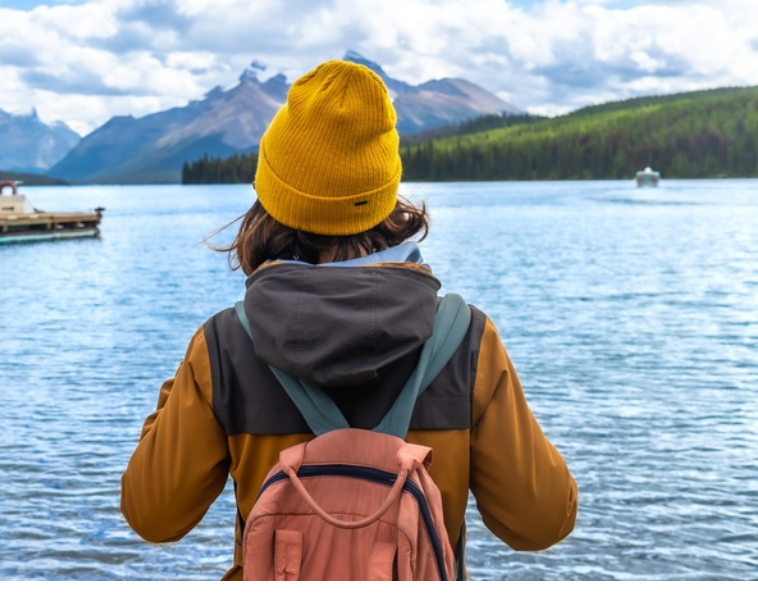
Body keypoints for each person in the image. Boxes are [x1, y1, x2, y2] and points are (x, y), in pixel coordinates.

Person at [120, 59, 577, 580]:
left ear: (272, 196)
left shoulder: (224, 344)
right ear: (385, 194)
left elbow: (152, 516)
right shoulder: (467, 339)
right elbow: (543, 522)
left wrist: (178, 390)